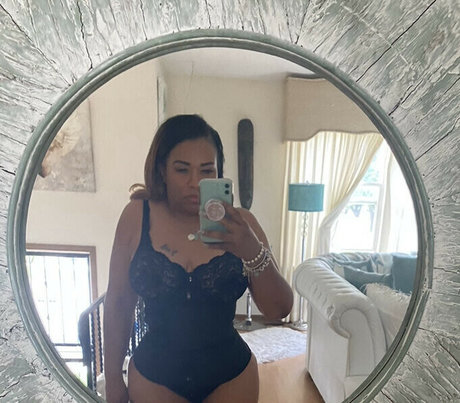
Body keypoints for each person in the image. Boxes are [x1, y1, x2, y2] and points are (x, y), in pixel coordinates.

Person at [103, 114, 293, 403]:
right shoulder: (136, 217)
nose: (195, 182)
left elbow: (279, 310)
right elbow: (118, 302)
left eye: (207, 170)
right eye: (182, 170)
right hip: (154, 378)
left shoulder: (242, 225)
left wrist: (250, 249)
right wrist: (113, 379)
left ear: (218, 174)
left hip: (232, 378)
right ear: (162, 170)